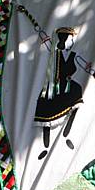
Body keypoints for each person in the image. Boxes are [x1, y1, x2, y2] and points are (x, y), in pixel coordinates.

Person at [34, 27, 83, 159]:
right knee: (47, 107)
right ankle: (45, 145)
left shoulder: (73, 55)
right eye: (71, 39)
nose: (73, 42)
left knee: (77, 92)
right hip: (53, 86)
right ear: (64, 39)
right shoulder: (54, 54)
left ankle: (67, 132)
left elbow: (82, 65)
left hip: (68, 85)